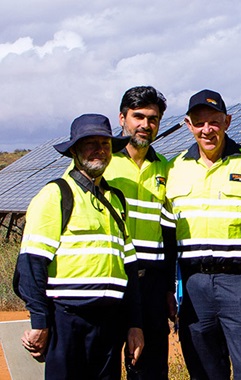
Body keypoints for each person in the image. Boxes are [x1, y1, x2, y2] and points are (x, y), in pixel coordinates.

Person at [14, 114, 143, 379]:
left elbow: (129, 268)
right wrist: (40, 322)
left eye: (105, 144)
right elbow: (31, 264)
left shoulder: (116, 200)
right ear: (74, 150)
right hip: (67, 319)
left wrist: (134, 323)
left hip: (109, 322)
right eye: (90, 143)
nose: (99, 150)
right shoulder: (55, 195)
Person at [166, 89, 241, 379]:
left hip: (238, 284)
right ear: (188, 125)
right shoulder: (175, 169)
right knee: (203, 369)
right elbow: (165, 235)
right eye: (199, 123)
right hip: (192, 285)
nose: (207, 129)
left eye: (214, 121)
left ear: (227, 121)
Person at [104, 86, 176, 379]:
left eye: (153, 118)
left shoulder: (167, 168)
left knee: (150, 366)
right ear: (122, 118)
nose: (145, 125)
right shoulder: (102, 161)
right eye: (138, 116)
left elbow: (169, 233)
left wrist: (169, 287)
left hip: (151, 282)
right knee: (104, 362)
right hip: (111, 277)